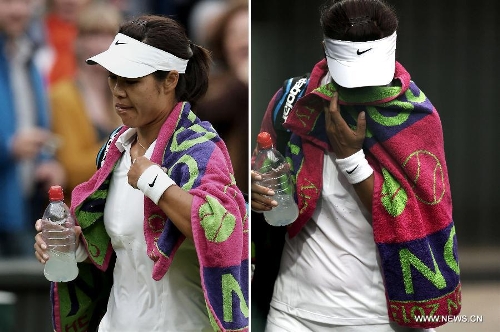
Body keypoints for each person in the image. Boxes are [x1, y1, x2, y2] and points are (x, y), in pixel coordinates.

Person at [251, 0, 461, 331]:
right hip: (293, 312)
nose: (360, 87)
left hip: (382, 316)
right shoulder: (293, 102)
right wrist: (260, 193)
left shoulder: (416, 118)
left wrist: (351, 158)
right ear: (325, 49)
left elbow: (416, 216)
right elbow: (268, 183)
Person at [34, 14, 249, 332]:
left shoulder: (201, 148)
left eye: (131, 81)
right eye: (113, 78)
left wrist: (155, 182)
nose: (118, 91)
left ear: (170, 80)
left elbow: (224, 232)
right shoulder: (114, 148)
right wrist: (76, 250)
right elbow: (125, 253)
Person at [0, 0, 65, 258]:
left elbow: (38, 125)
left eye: (24, 2)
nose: (18, 10)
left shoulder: (27, 54)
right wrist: (9, 148)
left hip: (25, 206)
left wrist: (47, 160)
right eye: (7, 2)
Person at [49, 2, 122, 203]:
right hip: (81, 208)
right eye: (92, 35)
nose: (100, 44)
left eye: (108, 35)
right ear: (78, 41)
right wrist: (123, 142)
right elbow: (71, 169)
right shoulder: (62, 95)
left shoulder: (124, 91)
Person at [195, 0, 249, 194]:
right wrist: (242, 84)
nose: (244, 39)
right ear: (223, 43)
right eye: (234, 33)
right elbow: (204, 118)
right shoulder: (210, 86)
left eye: (247, 31)